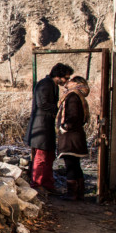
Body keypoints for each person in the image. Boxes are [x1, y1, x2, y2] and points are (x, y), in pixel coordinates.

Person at [24, 62, 74, 193]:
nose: (66, 81)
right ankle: (37, 184)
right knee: (41, 157)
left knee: (49, 156)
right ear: (58, 76)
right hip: (41, 127)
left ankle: (46, 183)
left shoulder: (51, 85)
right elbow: (42, 104)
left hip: (46, 126)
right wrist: (60, 107)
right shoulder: (45, 84)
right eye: (66, 78)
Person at [57, 76, 90, 200]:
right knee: (76, 165)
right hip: (77, 136)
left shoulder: (72, 96)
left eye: (71, 80)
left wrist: (64, 127)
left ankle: (72, 194)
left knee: (70, 164)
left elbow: (72, 115)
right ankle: (80, 193)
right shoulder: (78, 96)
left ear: (76, 83)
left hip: (70, 137)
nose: (67, 82)